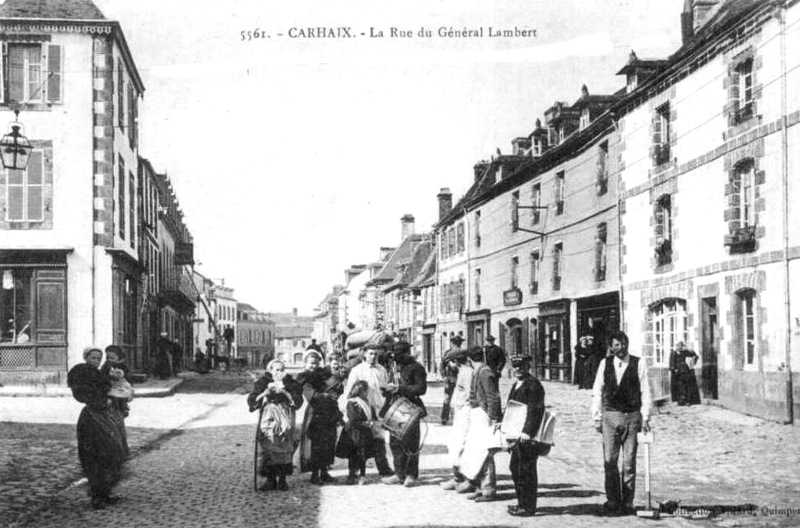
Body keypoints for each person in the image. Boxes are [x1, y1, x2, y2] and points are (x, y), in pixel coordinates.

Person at [591, 330, 652, 516]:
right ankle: (612, 500)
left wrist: (645, 416)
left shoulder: (639, 363)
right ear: (611, 347)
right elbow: (597, 390)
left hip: (632, 418)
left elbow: (646, 391)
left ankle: (628, 502)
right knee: (610, 461)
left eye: (624, 343)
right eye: (617, 344)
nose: (621, 347)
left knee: (629, 462)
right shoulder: (605, 363)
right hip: (610, 417)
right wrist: (596, 417)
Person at [67, 347, 129, 510]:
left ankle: (105, 493)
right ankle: (97, 496)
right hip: (92, 419)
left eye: (98, 358)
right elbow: (81, 394)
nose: (96, 361)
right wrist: (101, 401)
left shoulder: (102, 373)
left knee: (112, 453)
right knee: (94, 456)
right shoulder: (80, 373)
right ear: (85, 357)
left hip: (108, 416)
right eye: (92, 357)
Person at [248, 359, 302, 491]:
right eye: (276, 369)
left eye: (282, 369)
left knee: (284, 446)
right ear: (270, 371)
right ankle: (270, 479)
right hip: (269, 416)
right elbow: (252, 399)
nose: (280, 372)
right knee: (268, 445)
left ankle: (282, 479)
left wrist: (284, 392)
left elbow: (298, 400)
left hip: (285, 415)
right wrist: (264, 394)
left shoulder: (291, 383)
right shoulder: (262, 383)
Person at [341, 343, 395, 477]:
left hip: (377, 408)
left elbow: (384, 386)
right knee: (358, 441)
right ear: (364, 354)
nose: (373, 356)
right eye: (370, 353)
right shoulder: (357, 370)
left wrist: (388, 389)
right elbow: (350, 391)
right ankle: (353, 471)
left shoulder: (381, 369)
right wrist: (349, 410)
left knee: (379, 439)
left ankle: (383, 467)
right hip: (362, 410)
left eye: (376, 354)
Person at [457, 346, 502, 502]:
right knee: (475, 452)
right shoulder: (479, 370)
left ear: (469, 359)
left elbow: (493, 397)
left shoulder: (485, 372)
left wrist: (494, 417)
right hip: (477, 413)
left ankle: (488, 489)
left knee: (484, 452)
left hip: (484, 415)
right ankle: (478, 486)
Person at [380, 341, 427, 487]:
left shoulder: (417, 368)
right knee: (395, 442)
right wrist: (386, 389)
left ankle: (411, 475)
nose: (396, 358)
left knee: (411, 443)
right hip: (395, 407)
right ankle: (399, 474)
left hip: (411, 408)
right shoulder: (394, 367)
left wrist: (399, 388)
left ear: (407, 353)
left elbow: (421, 388)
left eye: (400, 355)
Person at [505, 354, 546, 517]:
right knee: (515, 468)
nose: (517, 369)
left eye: (520, 366)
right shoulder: (517, 383)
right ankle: (522, 502)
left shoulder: (533, 385)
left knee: (526, 470)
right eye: (515, 366)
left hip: (527, 437)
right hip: (516, 434)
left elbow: (535, 411)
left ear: (527, 367)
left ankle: (527, 507)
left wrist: (527, 432)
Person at [299, 350, 344, 485]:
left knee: (329, 441)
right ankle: (314, 474)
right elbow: (309, 394)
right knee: (316, 443)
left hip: (329, 412)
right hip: (315, 412)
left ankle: (324, 472)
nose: (314, 366)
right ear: (305, 363)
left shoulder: (321, 374)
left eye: (316, 363)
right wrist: (324, 395)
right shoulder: (304, 377)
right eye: (311, 363)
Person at [440, 346, 473, 490]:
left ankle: (465, 479)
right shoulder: (462, 372)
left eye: (450, 363)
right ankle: (457, 477)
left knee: (461, 445)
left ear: (455, 361)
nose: (449, 366)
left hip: (465, 413)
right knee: (454, 445)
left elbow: (470, 395)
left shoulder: (467, 373)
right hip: (460, 413)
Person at [336, 380, 377, 485]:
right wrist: (365, 423)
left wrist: (372, 421)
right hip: (353, 432)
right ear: (361, 391)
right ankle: (351, 474)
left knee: (362, 454)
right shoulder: (353, 403)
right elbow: (353, 419)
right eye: (365, 391)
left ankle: (362, 475)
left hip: (364, 431)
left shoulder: (367, 402)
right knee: (353, 454)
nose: (367, 393)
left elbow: (373, 415)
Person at [102, 345, 133, 418]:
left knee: (122, 395)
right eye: (107, 358)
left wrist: (122, 375)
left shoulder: (122, 366)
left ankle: (124, 408)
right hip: (111, 386)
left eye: (112, 358)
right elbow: (103, 374)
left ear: (119, 358)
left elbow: (128, 376)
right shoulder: (106, 366)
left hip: (121, 385)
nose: (109, 360)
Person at [440, 334, 464, 425]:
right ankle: (444, 418)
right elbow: (442, 365)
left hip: (459, 379)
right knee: (447, 399)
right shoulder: (448, 353)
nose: (457, 345)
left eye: (458, 343)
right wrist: (444, 376)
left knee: (459, 399)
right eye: (455, 343)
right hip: (450, 378)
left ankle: (455, 418)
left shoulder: (463, 352)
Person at [670, 341, 701, 406]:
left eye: (680, 346)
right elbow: (671, 363)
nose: (679, 347)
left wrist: (692, 363)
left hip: (685, 371)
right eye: (678, 346)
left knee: (685, 386)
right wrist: (674, 369)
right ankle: (680, 400)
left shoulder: (684, 353)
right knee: (679, 387)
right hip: (677, 372)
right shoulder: (673, 353)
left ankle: (686, 400)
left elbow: (694, 355)